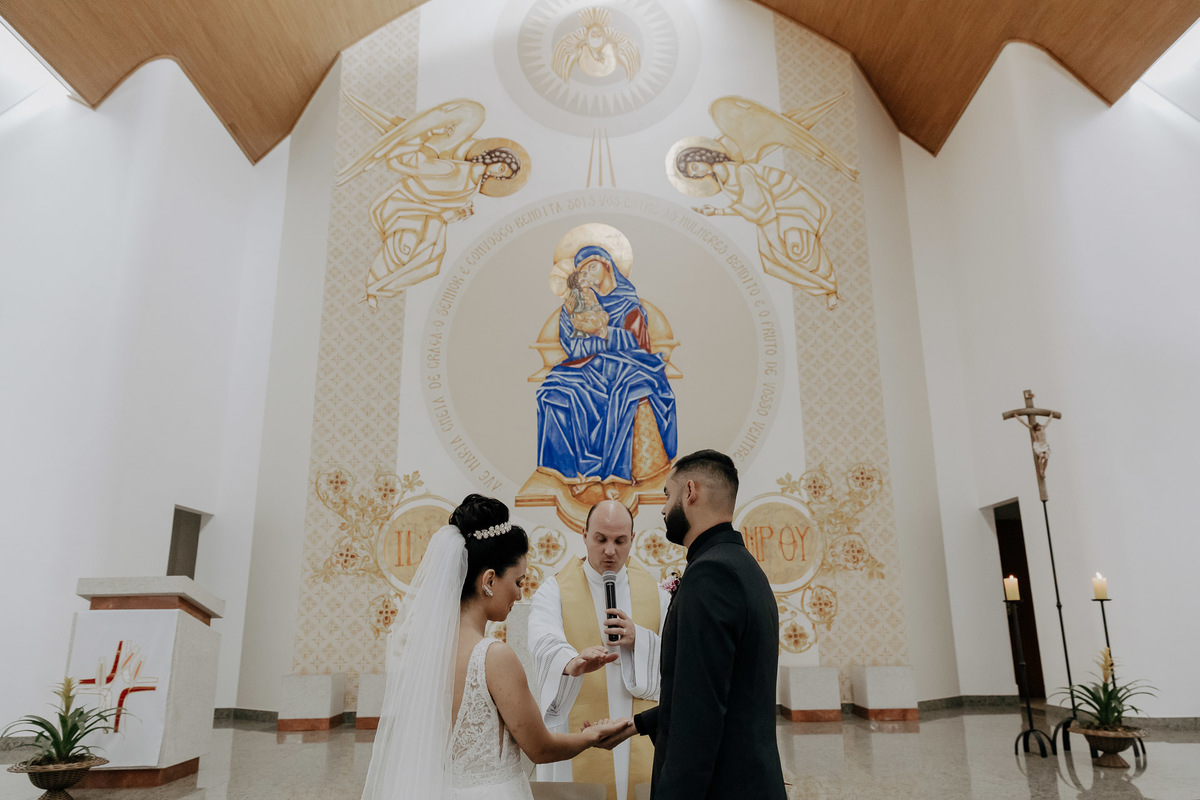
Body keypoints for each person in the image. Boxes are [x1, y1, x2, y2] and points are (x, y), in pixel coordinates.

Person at [360, 495, 625, 800]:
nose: (519, 594)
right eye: (518, 581)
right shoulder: (493, 656)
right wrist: (591, 737)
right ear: (488, 580)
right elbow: (540, 748)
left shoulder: (427, 650)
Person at [593, 450, 787, 800]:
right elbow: (714, 691)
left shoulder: (711, 574)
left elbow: (700, 714)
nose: (663, 509)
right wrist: (637, 724)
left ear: (690, 492)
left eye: (668, 494)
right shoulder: (741, 565)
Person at [528, 500, 669, 800]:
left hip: (636, 726)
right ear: (584, 535)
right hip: (578, 723)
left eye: (619, 541)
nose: (610, 551)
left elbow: (678, 654)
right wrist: (572, 661)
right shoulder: (554, 590)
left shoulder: (657, 594)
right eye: (601, 539)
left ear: (632, 539)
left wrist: (639, 639)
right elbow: (543, 639)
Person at [535, 246, 677, 492]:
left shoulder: (628, 303)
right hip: (585, 367)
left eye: (593, 267)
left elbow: (638, 344)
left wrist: (605, 333)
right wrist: (597, 341)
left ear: (607, 265)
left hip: (627, 364)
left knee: (627, 392)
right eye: (582, 272)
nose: (588, 275)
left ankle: (613, 473)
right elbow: (573, 346)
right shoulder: (574, 303)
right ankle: (576, 473)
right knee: (553, 392)